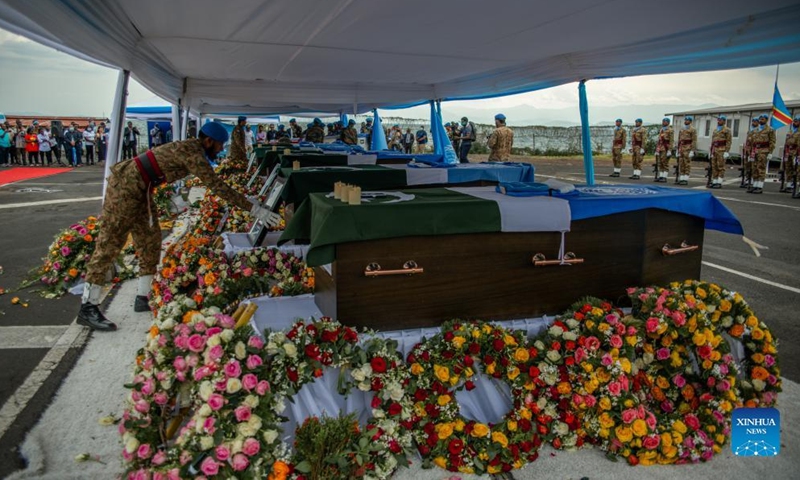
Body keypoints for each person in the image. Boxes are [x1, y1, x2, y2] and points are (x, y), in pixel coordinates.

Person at [77, 122, 278, 331]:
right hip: (126, 186)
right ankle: (88, 306)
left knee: (150, 240)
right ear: (208, 140)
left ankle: (143, 296)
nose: (221, 149)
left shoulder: (193, 149)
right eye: (220, 144)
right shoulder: (193, 153)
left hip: (141, 188)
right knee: (111, 242)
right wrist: (254, 210)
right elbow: (217, 185)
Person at [749, 114, 776, 194]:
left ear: (766, 120)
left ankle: (759, 186)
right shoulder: (755, 130)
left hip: (763, 151)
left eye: (763, 119)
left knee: (761, 168)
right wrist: (751, 152)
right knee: (754, 168)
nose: (761, 120)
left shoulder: (770, 130)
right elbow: (752, 142)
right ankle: (755, 185)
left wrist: (770, 152)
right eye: (760, 119)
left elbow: (772, 142)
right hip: (755, 151)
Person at [708, 115, 732, 189]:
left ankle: (719, 181)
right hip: (715, 150)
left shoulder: (727, 130)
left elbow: (729, 141)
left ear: (724, 121)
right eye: (718, 120)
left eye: (721, 120)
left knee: (720, 166)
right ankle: (715, 181)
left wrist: (727, 151)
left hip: (722, 150)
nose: (719, 121)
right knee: (714, 166)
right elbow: (713, 141)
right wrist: (711, 150)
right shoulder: (715, 130)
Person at [780, 115, 800, 193]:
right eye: (794, 121)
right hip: (789, 152)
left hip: (796, 153)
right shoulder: (790, 131)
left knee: (797, 170)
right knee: (788, 169)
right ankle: (789, 185)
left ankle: (796, 187)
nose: (794, 123)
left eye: (796, 121)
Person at [675, 116, 697, 186]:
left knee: (687, 164)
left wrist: (692, 150)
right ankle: (681, 178)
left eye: (687, 120)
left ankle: (685, 179)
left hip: (688, 148)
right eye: (685, 120)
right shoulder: (682, 129)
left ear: (690, 121)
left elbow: (694, 140)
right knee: (681, 164)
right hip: (681, 148)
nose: (686, 121)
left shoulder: (693, 129)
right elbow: (679, 140)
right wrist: (678, 149)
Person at [654, 117, 674, 182]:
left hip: (666, 148)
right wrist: (657, 149)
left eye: (665, 121)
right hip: (660, 148)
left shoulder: (670, 130)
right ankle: (661, 176)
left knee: (665, 162)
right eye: (663, 121)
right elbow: (659, 140)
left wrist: (669, 150)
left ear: (668, 122)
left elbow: (671, 141)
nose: (663, 122)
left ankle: (664, 177)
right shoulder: (661, 130)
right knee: (660, 162)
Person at [741, 118, 759, 189]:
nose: (753, 123)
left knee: (754, 166)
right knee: (747, 165)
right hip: (748, 151)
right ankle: (747, 179)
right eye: (753, 121)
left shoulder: (758, 131)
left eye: (755, 122)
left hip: (754, 151)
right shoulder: (750, 130)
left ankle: (752, 181)